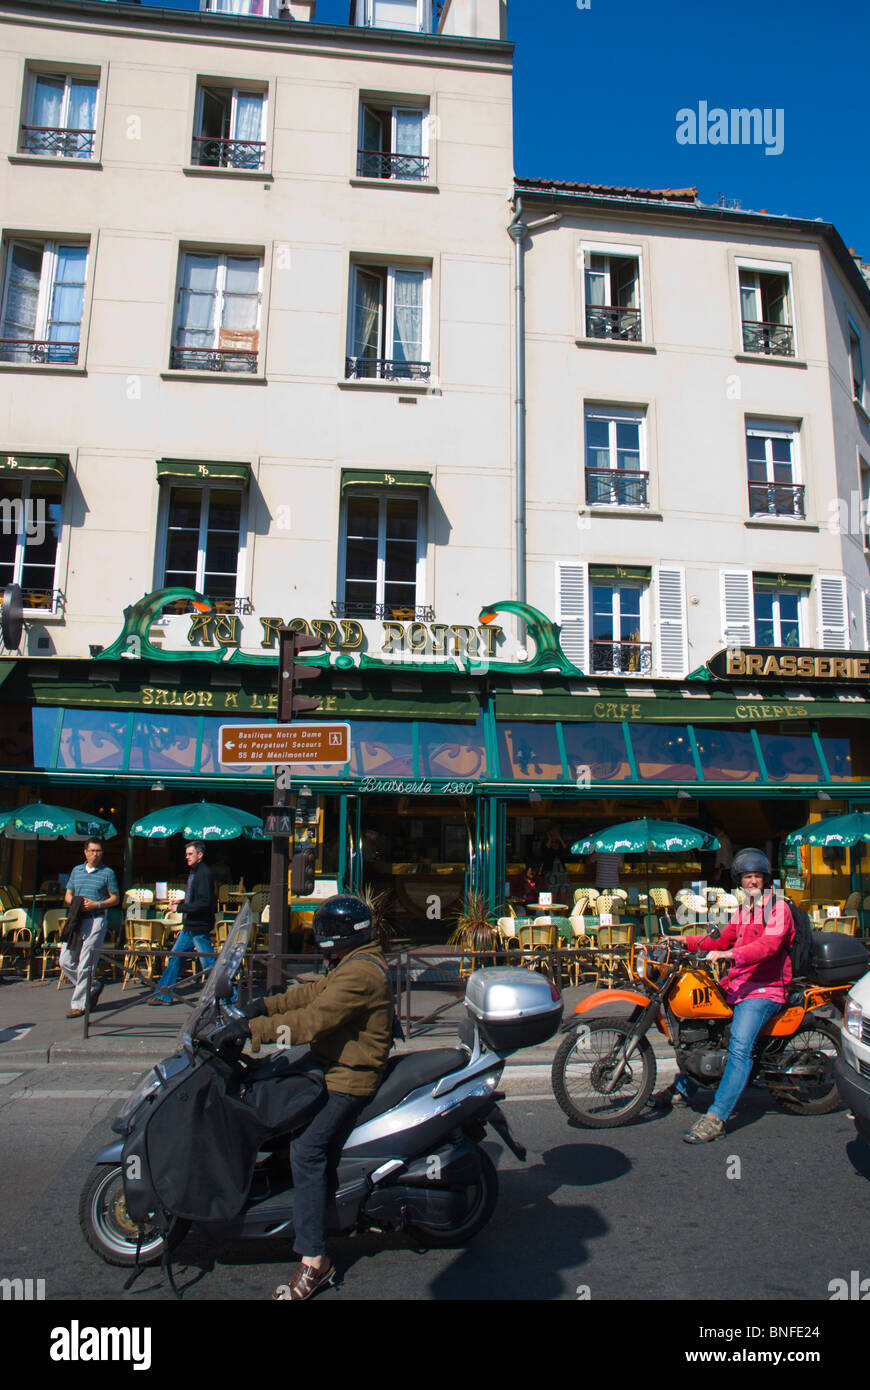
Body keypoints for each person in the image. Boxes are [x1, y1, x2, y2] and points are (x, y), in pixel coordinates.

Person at [241, 895, 394, 1300]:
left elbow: (311, 1021)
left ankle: (314, 1260)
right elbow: (308, 996)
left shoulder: (361, 973)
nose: (320, 936)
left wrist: (252, 1032)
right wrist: (259, 1006)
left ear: (340, 935)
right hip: (328, 1066)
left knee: (307, 1151)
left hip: (349, 1079)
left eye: (325, 930)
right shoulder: (352, 962)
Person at [653, 848, 795, 1144]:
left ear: (765, 879)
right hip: (737, 984)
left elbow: (768, 947)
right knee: (708, 1033)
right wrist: (684, 940)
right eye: (747, 877)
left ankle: (716, 1117)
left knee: (740, 1049)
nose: (752, 881)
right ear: (740, 881)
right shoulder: (745, 909)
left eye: (756, 876)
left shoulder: (778, 908)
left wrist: (729, 954)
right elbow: (720, 938)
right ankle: (683, 1088)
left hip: (764, 989)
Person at [148, 841, 216, 1005]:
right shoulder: (195, 872)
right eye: (186, 854)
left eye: (190, 854)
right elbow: (198, 898)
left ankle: (230, 995)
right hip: (191, 926)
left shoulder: (203, 873)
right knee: (175, 957)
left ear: (200, 855)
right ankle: (163, 993)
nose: (187, 857)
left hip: (198, 926)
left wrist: (180, 908)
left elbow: (204, 902)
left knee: (208, 963)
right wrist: (183, 901)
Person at [60, 838, 119, 1018]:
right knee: (65, 960)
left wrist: (97, 905)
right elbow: (68, 895)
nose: (96, 854)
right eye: (92, 851)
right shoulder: (76, 871)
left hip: (96, 919)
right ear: (85, 852)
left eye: (99, 851)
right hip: (77, 920)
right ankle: (92, 986)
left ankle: (78, 1004)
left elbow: (115, 898)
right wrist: (76, 904)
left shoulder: (107, 872)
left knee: (86, 962)